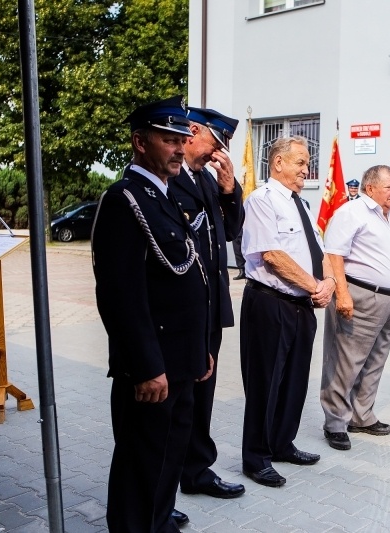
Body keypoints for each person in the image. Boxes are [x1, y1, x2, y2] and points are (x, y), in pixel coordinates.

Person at [92, 96, 214, 532]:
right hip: (152, 367)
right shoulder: (124, 200)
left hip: (180, 360)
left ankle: (157, 523)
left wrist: (200, 349)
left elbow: (188, 279)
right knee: (142, 462)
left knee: (168, 456)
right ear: (140, 143)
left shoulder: (165, 198)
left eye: (183, 139)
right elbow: (120, 295)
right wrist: (146, 366)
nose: (180, 148)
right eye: (169, 140)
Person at [240, 135, 335, 488]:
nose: (306, 169)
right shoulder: (262, 201)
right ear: (277, 163)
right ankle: (256, 458)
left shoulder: (303, 205)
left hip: (302, 305)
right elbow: (272, 256)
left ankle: (282, 444)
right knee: (265, 383)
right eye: (300, 162)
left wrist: (328, 283)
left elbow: (318, 249)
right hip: (270, 303)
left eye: (307, 163)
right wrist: (316, 287)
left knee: (294, 381)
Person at [171, 106, 246, 500]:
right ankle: (172, 475)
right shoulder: (169, 178)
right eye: (214, 144)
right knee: (181, 399)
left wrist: (231, 189)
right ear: (193, 131)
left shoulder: (204, 178)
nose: (215, 154)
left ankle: (197, 469)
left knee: (203, 394)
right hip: (184, 309)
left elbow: (232, 230)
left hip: (210, 305)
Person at [320, 165, 390, 452]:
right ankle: (336, 423)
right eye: (388, 187)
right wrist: (342, 294)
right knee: (346, 361)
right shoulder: (352, 213)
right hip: (361, 297)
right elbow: (334, 254)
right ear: (370, 187)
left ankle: (362, 416)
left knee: (376, 361)